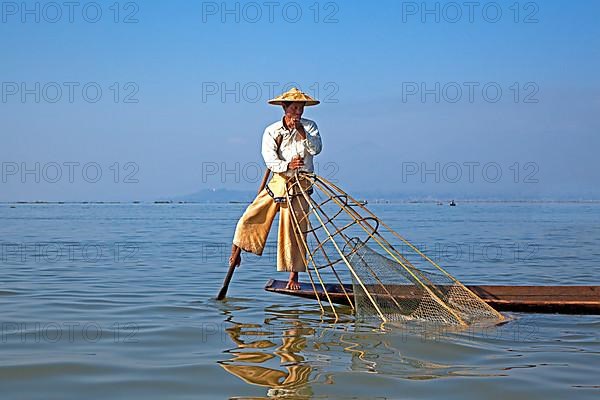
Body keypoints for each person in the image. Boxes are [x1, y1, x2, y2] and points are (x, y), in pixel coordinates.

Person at [228, 88, 322, 290]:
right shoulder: (272, 131)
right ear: (284, 108)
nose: (298, 112)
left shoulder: (310, 127)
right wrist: (288, 165)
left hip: (302, 183)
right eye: (294, 108)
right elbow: (270, 160)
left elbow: (316, 149)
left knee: (295, 230)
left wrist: (301, 132)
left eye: (301, 108)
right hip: (280, 179)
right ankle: (236, 251)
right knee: (251, 216)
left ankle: (293, 276)